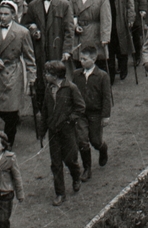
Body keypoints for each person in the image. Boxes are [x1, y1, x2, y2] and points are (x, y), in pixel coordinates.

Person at [0, 2, 34, 149]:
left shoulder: (22, 32)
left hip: (13, 73)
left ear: (13, 15)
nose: (3, 17)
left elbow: (29, 57)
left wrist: (32, 77)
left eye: (6, 14)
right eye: (1, 14)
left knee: (12, 111)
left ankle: (8, 144)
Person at [38, 60, 83, 205]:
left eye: (47, 73)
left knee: (70, 159)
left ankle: (76, 176)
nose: (45, 75)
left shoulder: (70, 88)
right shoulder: (48, 89)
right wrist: (42, 130)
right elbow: (45, 110)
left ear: (56, 75)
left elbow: (80, 108)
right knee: (55, 163)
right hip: (53, 131)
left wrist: (70, 120)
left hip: (68, 131)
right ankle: (60, 193)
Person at [71, 45, 112, 178]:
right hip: (81, 114)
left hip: (95, 113)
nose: (81, 61)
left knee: (95, 140)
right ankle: (87, 168)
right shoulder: (76, 75)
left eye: (84, 59)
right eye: (80, 59)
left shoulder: (102, 76)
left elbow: (106, 97)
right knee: (82, 141)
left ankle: (102, 148)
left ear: (93, 59)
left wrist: (105, 116)